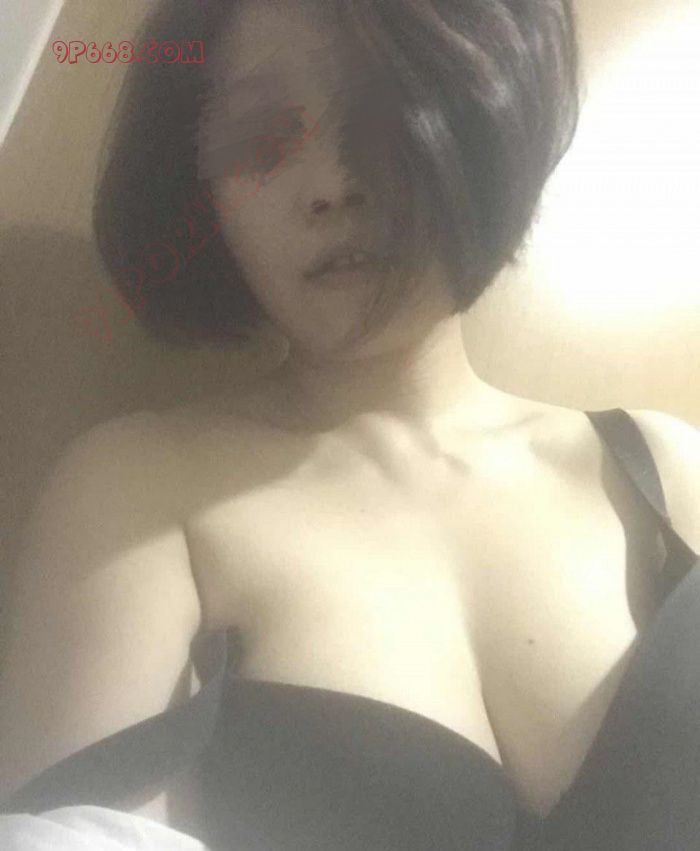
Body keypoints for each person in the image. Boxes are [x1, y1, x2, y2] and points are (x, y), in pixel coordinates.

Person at [1, 1, 699, 849]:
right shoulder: (136, 493)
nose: (331, 183)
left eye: (387, 112)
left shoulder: (673, 474)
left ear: (484, 113)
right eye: (260, 137)